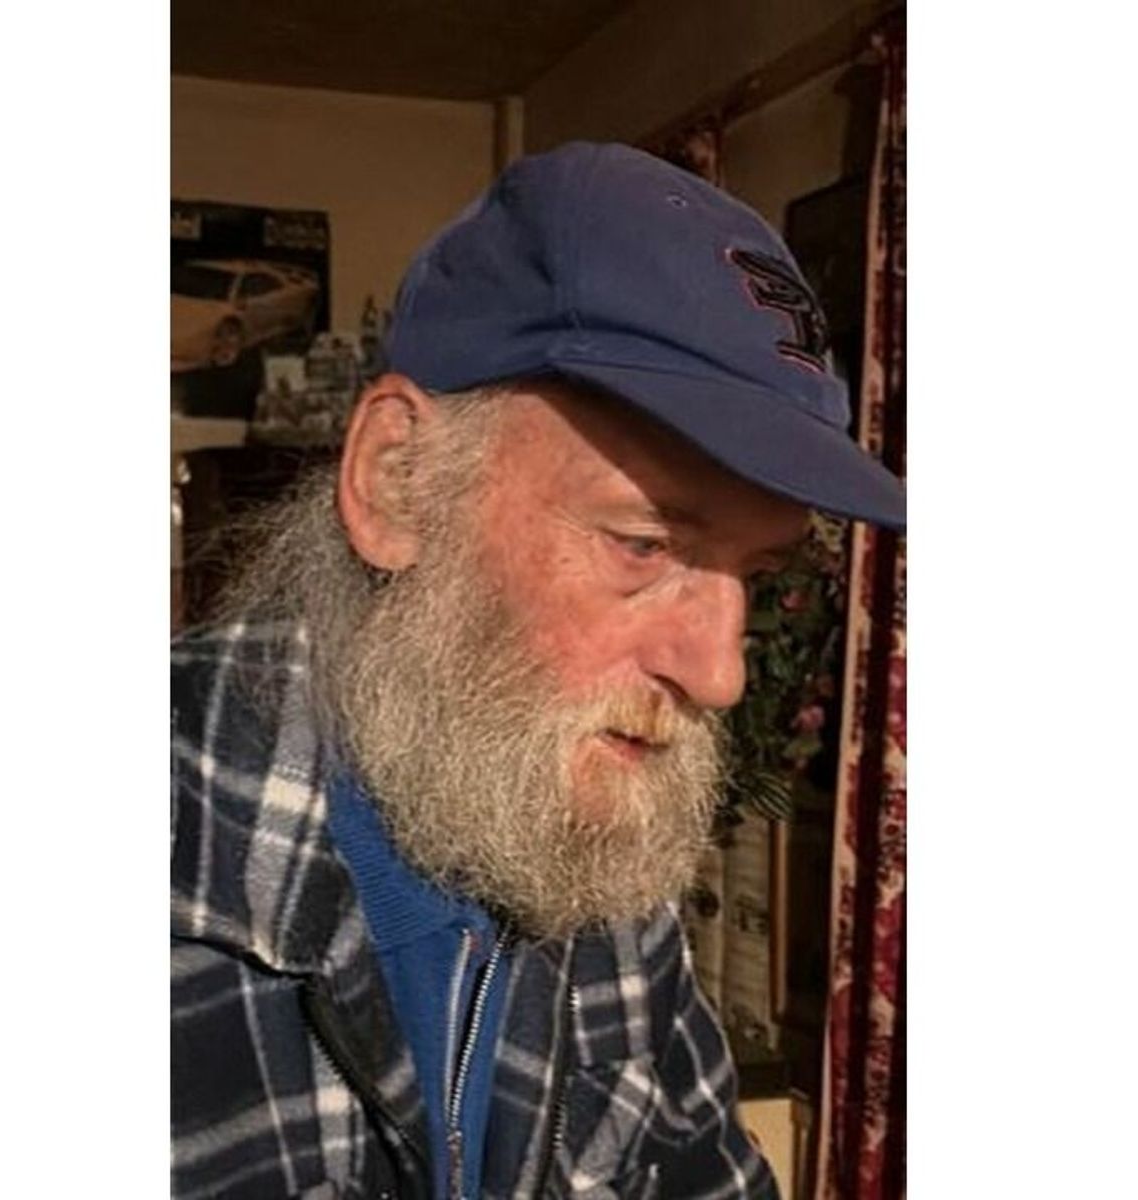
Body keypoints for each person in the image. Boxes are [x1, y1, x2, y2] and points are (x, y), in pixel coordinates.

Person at [171, 141, 905, 1200]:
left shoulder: (588, 845)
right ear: (398, 481)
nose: (720, 674)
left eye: (756, 573)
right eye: (644, 545)